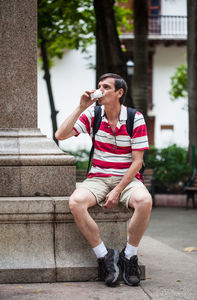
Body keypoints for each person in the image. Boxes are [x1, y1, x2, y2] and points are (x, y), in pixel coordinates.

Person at [55, 73, 152, 287]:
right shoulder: (93, 114)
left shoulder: (135, 118)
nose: (100, 90)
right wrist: (81, 107)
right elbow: (60, 135)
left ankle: (129, 255)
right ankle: (104, 256)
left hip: (127, 179)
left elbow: (137, 162)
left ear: (119, 93)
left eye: (106, 87)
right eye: (99, 86)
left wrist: (117, 190)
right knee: (75, 202)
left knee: (145, 201)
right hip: (97, 178)